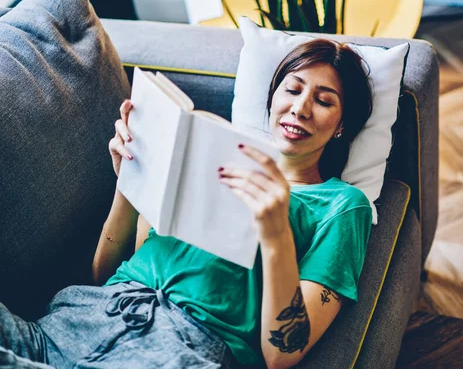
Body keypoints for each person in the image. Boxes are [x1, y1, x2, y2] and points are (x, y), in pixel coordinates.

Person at [0, 38, 374, 369]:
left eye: (324, 101)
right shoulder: (210, 155)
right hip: (80, 319)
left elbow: (283, 354)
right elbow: (104, 276)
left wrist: (276, 235)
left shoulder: (341, 205)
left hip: (179, 348)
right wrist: (130, 180)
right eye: (292, 90)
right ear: (274, 97)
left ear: (343, 124)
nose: (300, 108)